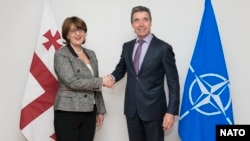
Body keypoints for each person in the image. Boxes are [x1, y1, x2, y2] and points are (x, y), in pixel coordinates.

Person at [105, 6, 180, 141]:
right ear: (132, 24)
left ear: (151, 22)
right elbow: (121, 69)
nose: (141, 24)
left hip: (155, 112)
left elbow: (173, 82)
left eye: (145, 20)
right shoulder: (127, 47)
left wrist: (171, 111)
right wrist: (112, 77)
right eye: (136, 20)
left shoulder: (163, 48)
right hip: (132, 111)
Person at [53, 16, 108, 141]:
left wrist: (100, 110)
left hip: (89, 110)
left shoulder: (91, 54)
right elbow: (73, 82)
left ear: (85, 32)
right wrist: (102, 81)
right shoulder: (61, 54)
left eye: (81, 30)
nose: (78, 34)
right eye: (73, 31)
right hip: (68, 111)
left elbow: (95, 84)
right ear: (67, 35)